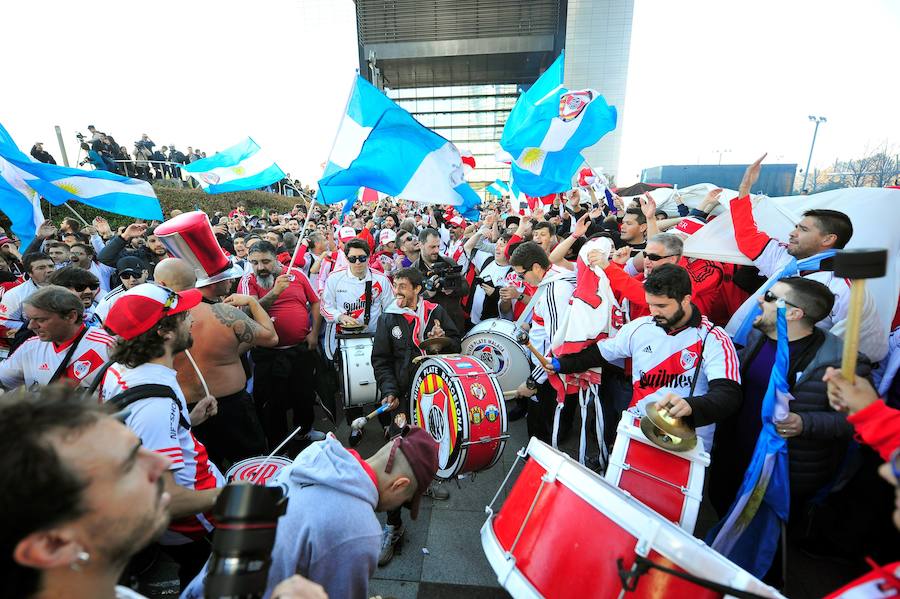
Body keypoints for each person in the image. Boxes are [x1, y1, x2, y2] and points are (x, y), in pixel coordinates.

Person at [183, 427, 438, 599]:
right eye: (404, 500)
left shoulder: (316, 456)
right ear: (400, 484)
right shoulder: (360, 530)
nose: (397, 506)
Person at [708, 278, 869, 545]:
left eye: (770, 296)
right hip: (735, 457)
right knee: (724, 516)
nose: (761, 299)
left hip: (783, 473)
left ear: (795, 313)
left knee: (761, 543)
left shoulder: (840, 363)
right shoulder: (758, 335)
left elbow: (856, 420)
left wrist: (805, 423)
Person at [100, 283, 223, 589]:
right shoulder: (155, 403)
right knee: (206, 584)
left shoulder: (120, 370)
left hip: (189, 518)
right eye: (183, 316)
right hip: (198, 524)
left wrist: (186, 422)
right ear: (164, 333)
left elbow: (142, 441)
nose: (191, 320)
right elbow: (167, 500)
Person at [547, 264, 742, 451]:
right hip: (637, 427)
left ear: (685, 299)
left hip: (688, 441)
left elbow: (728, 395)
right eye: (650, 304)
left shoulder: (714, 338)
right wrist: (561, 364)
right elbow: (601, 352)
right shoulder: (640, 327)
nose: (653, 312)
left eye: (661, 305)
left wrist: (691, 407)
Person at [727, 154, 887, 362]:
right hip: (750, 353)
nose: (793, 233)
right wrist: (744, 188)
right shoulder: (787, 259)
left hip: (794, 373)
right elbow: (748, 236)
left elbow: (857, 348)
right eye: (795, 227)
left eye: (802, 229)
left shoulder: (845, 286)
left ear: (828, 239)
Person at [371, 267, 458, 565]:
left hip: (434, 393)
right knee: (396, 458)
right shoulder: (389, 317)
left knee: (432, 441)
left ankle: (424, 480)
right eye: (396, 284)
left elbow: (456, 344)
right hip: (401, 398)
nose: (397, 290)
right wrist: (389, 388)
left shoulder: (437, 312)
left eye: (404, 286)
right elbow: (380, 359)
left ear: (418, 289)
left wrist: (443, 338)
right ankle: (393, 527)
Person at [154, 258, 277, 470]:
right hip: (233, 408)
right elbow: (271, 338)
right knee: (252, 470)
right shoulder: (223, 313)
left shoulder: (154, 325)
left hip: (187, 411)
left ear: (162, 285)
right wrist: (253, 302)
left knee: (203, 473)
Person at [238, 241, 325, 448]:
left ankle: (304, 432)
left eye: (266, 261)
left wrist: (313, 333)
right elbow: (248, 314)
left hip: (299, 350)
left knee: (303, 395)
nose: (260, 267)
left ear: (276, 259)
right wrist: (275, 292)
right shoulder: (248, 280)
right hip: (268, 354)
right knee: (271, 403)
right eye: (254, 262)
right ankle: (278, 445)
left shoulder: (297, 274)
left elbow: (315, 301)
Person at [509, 241, 579, 445]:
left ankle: (541, 461)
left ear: (537, 268)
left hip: (548, 373)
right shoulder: (553, 276)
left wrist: (533, 381)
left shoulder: (553, 291)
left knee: (543, 428)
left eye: (522, 275)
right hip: (545, 367)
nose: (522, 280)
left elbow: (557, 346)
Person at [0, 286, 113, 390]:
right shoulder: (30, 346)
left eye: (40, 319)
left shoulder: (107, 346)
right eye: (29, 319)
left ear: (71, 316)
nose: (31, 326)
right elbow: (4, 378)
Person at [320, 238, 393, 363]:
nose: (357, 262)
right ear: (347, 259)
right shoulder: (334, 278)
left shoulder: (381, 280)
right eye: (353, 259)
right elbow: (325, 307)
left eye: (362, 258)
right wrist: (340, 317)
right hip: (342, 337)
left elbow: (390, 308)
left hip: (373, 336)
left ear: (369, 257)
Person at [413, 228, 469, 332]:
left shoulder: (449, 263)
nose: (436, 250)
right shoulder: (413, 271)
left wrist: (452, 289)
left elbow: (466, 288)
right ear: (420, 244)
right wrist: (428, 294)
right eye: (432, 247)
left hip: (454, 325)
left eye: (438, 246)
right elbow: (410, 304)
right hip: (428, 329)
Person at [0, 252, 55, 339]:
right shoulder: (15, 294)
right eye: (41, 268)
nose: (49, 270)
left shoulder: (69, 287)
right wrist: (34, 327)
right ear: (29, 273)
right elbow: (5, 322)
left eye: (51, 266)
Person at [94, 256, 150, 323]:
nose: (132, 279)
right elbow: (97, 326)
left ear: (146, 274)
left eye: (136, 274)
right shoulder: (109, 301)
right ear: (120, 278)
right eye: (125, 276)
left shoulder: (158, 291)